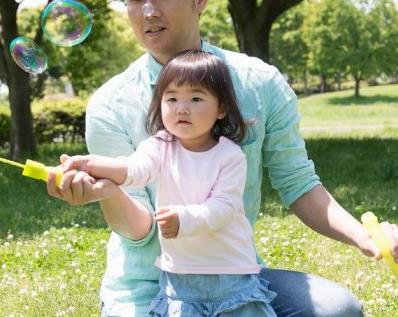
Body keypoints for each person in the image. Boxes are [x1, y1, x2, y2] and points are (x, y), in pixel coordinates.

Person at [47, 0, 398, 317]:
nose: (148, 11)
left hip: (233, 279)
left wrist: (365, 237)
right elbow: (140, 232)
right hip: (146, 286)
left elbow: (298, 183)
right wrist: (108, 192)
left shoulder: (259, 83)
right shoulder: (110, 104)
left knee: (337, 310)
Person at [60, 49, 276, 316]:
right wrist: (91, 164)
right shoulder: (160, 146)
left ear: (221, 108)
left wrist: (184, 219)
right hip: (179, 279)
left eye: (196, 98)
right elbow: (135, 169)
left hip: (231, 275)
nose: (181, 108)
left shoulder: (229, 155)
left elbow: (224, 206)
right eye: (171, 98)